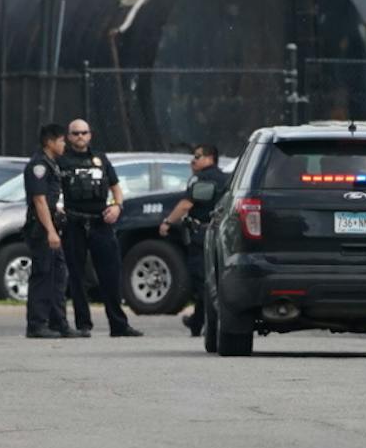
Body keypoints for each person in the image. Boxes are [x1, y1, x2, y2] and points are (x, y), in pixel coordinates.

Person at [58, 119, 141, 338]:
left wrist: (117, 207)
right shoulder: (62, 160)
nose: (80, 137)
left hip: (100, 222)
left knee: (110, 274)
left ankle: (118, 324)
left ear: (90, 135)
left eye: (84, 133)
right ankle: (83, 324)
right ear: (68, 136)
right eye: (75, 133)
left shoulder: (100, 159)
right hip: (74, 222)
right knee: (77, 275)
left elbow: (116, 188)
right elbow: (53, 190)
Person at [158, 144, 227, 337]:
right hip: (220, 234)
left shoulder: (201, 179)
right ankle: (197, 320)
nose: (193, 161)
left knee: (201, 279)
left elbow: (186, 204)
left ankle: (206, 321)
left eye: (197, 156)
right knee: (212, 278)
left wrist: (167, 222)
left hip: (202, 234)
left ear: (210, 158)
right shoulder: (225, 179)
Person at [23, 123, 71, 341]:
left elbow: (50, 200)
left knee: (58, 275)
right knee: (43, 275)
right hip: (42, 229)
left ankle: (58, 322)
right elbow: (39, 201)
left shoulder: (52, 164)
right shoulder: (39, 166)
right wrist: (50, 231)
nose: (64, 144)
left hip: (52, 224)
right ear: (50, 142)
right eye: (61, 140)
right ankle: (37, 324)